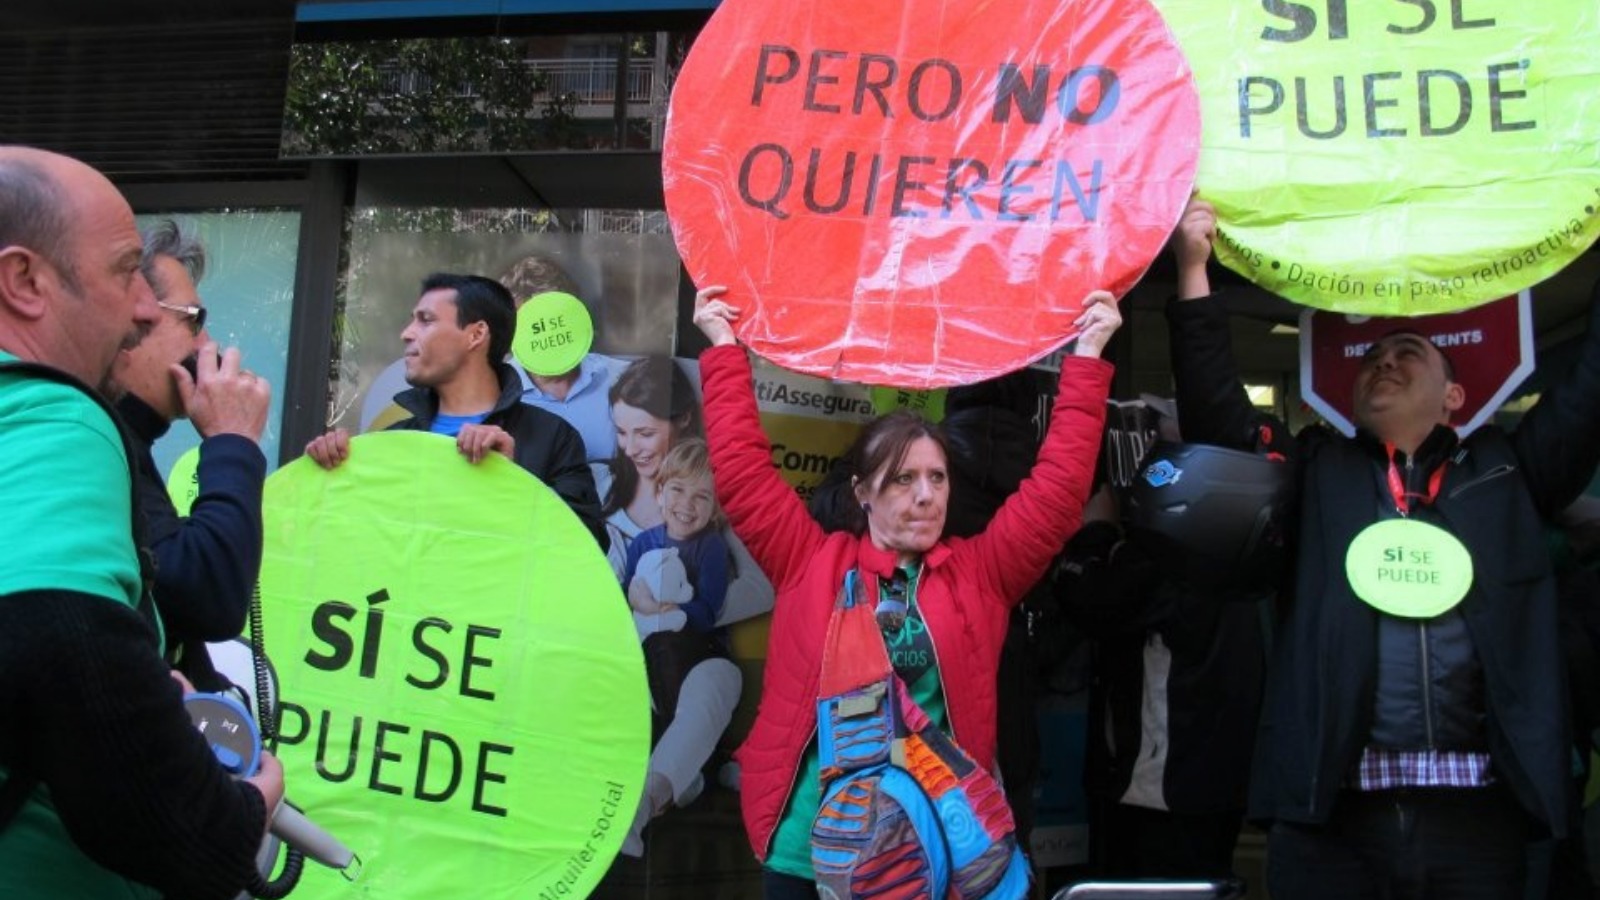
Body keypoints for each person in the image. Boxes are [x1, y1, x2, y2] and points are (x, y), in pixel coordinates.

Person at [1169, 197, 1600, 899]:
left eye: (1408, 354)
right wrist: (1193, 268)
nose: (1384, 364)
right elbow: (1220, 421)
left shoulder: (1509, 476)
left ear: (1455, 394)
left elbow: (1588, 394)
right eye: (1372, 357)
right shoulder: (1314, 475)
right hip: (1335, 824)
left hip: (1485, 823)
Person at [692, 283, 1120, 898]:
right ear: (863, 492)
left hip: (928, 854)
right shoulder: (809, 561)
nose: (926, 494)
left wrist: (1089, 355)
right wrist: (723, 347)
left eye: (937, 477)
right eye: (903, 479)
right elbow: (741, 469)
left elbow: (1056, 494)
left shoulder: (982, 574)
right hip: (804, 853)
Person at [0, 146, 282, 898]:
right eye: (128, 272)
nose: (142, 312)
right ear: (24, 280)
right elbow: (59, 635)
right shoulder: (60, 418)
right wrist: (218, 823)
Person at [305, 272, 606, 548]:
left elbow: (588, 550)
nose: (407, 333)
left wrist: (513, 483)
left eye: (425, 320)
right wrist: (329, 481)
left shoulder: (552, 437)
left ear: (476, 335)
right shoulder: (393, 441)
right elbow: (354, 543)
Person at [110, 219, 272, 692]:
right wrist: (233, 440)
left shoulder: (125, 439)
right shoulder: (92, 438)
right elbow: (208, 593)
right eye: (192, 320)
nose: (207, 345)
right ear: (133, 314)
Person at [619, 438, 740, 855]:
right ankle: (685, 782)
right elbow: (624, 599)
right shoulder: (642, 543)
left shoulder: (711, 547)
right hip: (647, 671)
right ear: (659, 491)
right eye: (677, 490)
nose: (687, 505)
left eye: (702, 497)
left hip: (701, 659)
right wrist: (637, 603)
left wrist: (664, 609)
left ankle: (639, 809)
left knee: (702, 702)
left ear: (715, 508)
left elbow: (708, 611)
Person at [595, 354, 773, 621]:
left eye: (645, 434)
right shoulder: (598, 479)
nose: (630, 449)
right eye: (621, 432)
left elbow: (760, 589)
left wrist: (677, 619)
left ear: (684, 419)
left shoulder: (715, 489)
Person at [501, 252, 626, 462]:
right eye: (534, 326)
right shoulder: (497, 392)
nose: (546, 333)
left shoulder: (622, 378)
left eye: (555, 321)